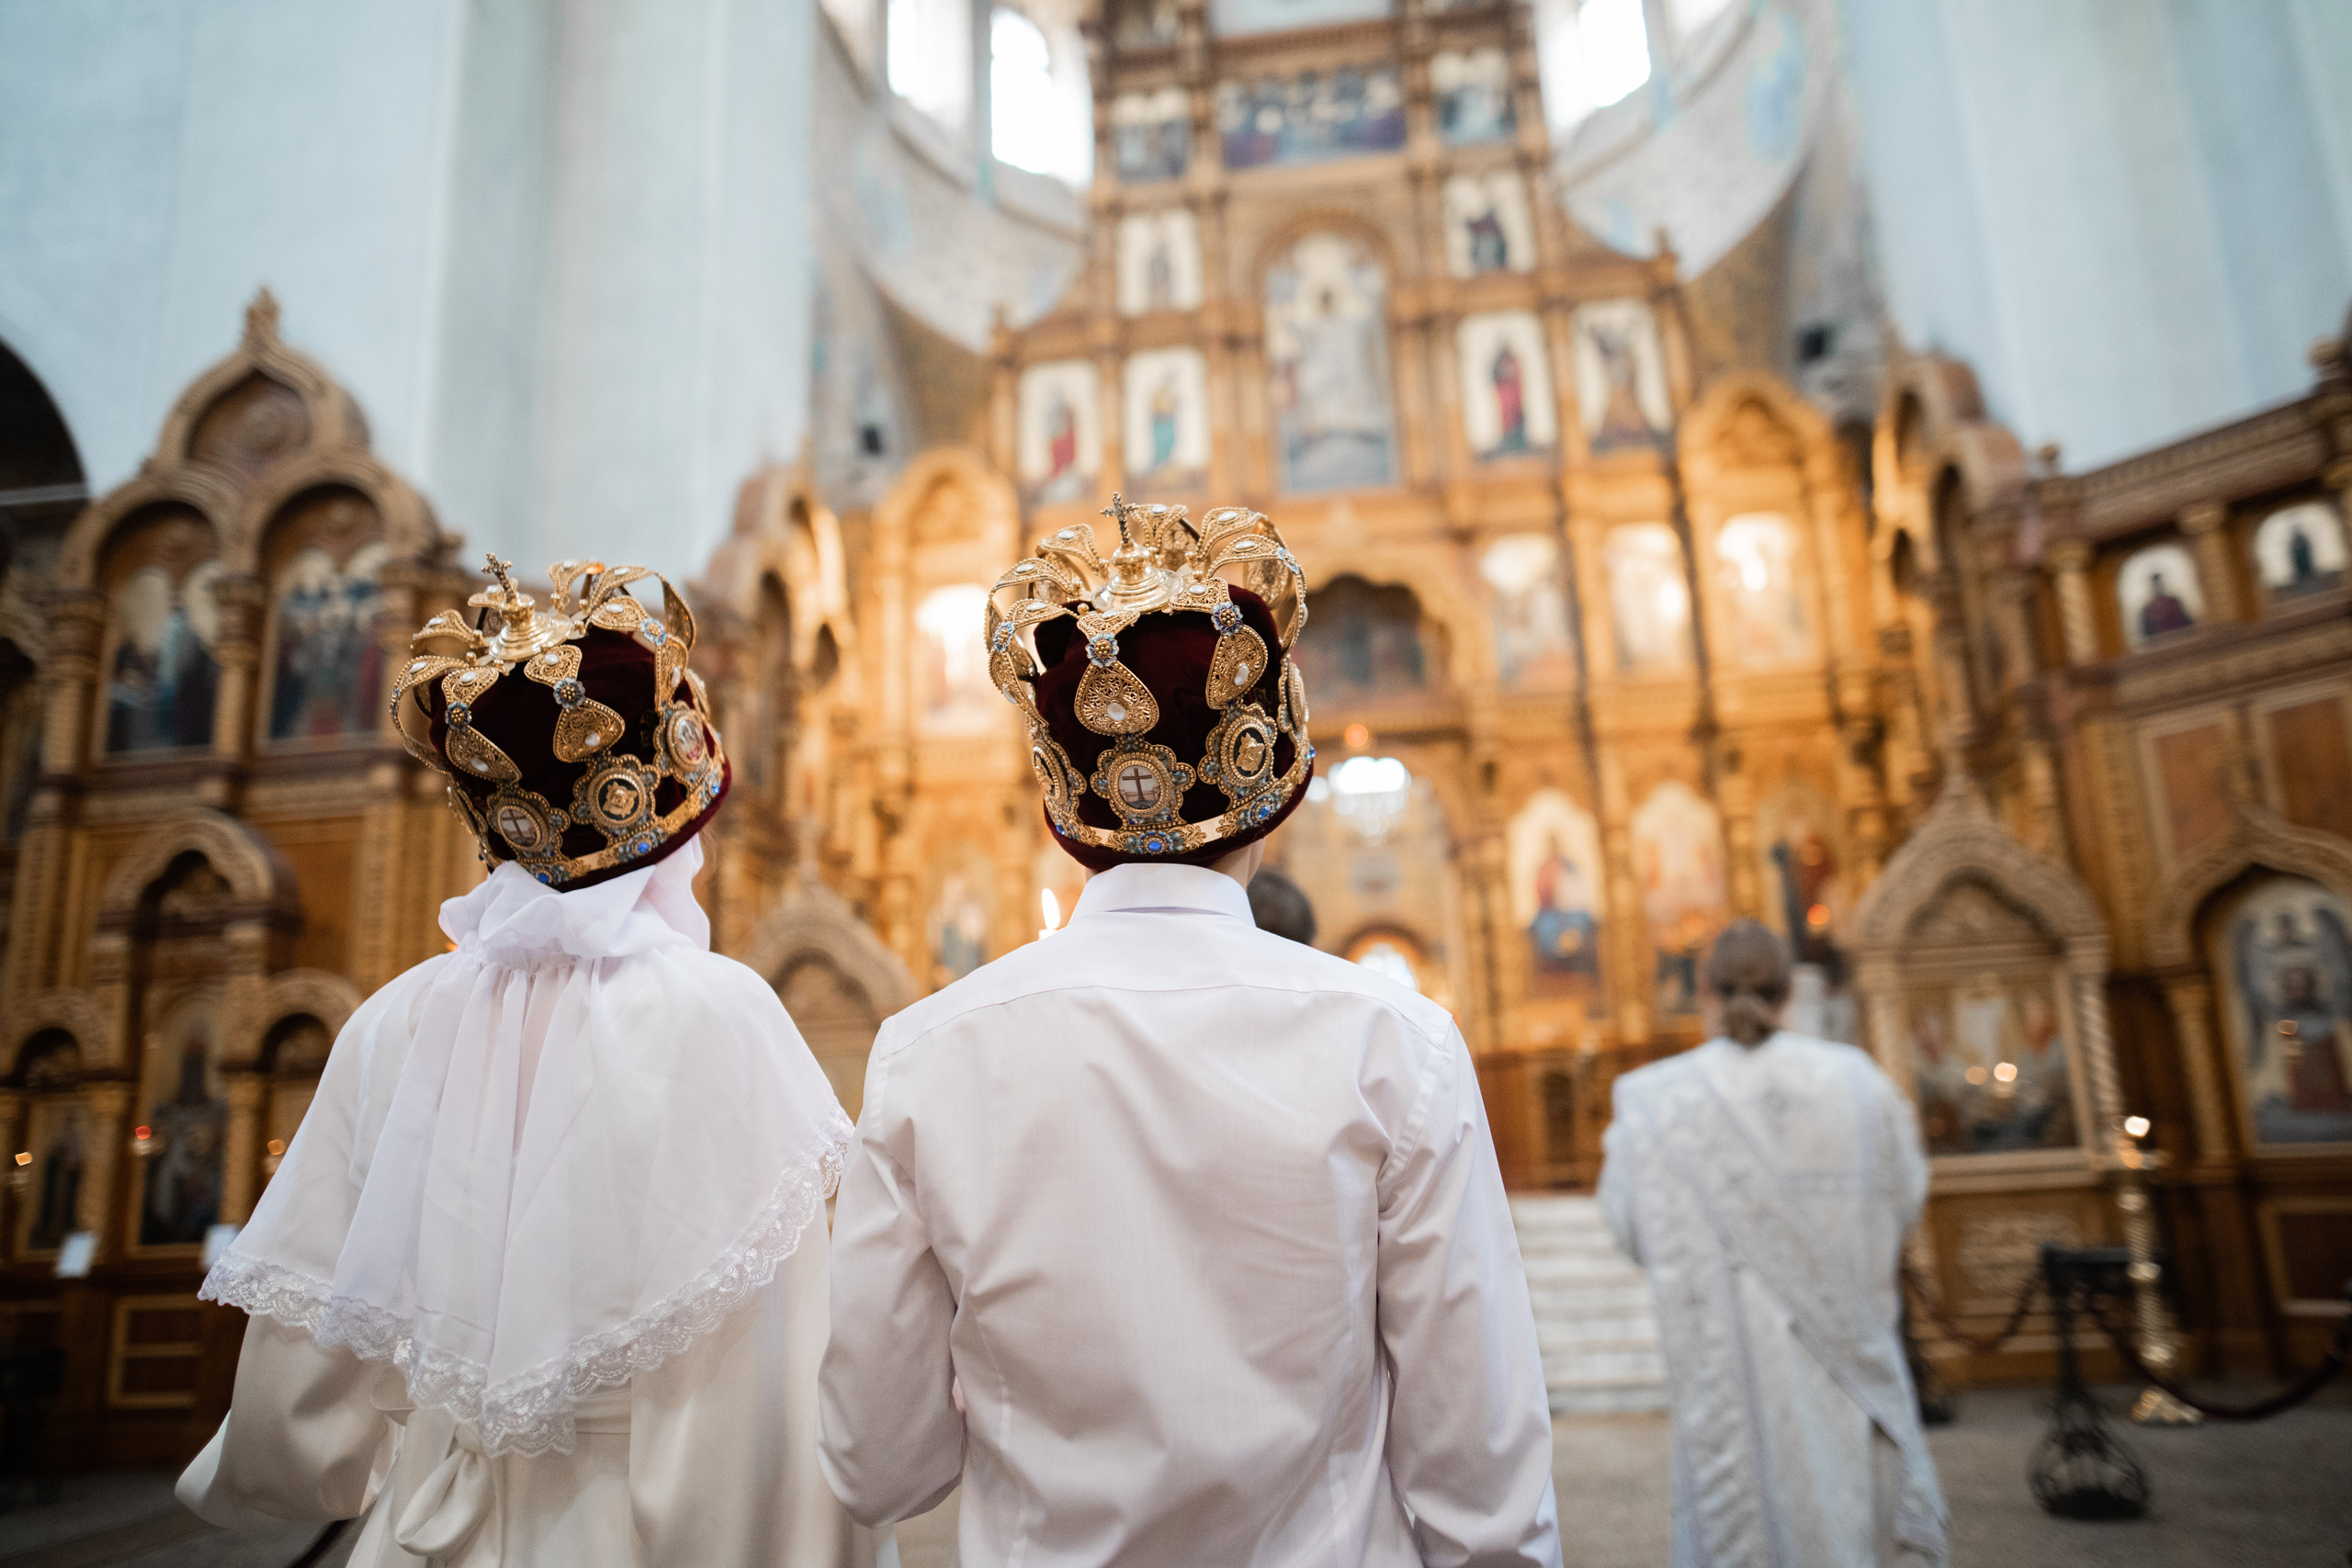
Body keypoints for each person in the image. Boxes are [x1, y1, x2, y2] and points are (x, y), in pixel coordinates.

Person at [820, 497, 1560, 1566]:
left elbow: (881, 1467)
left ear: (1065, 811)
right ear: (1272, 793)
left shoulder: (927, 1056)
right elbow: (1479, 1478)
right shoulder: (1396, 1046)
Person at [177, 558, 876, 1567]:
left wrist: (368, 1463)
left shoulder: (392, 1021)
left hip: (420, 1526)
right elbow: (755, 1402)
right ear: (674, 838)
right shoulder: (714, 1014)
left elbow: (299, 1394)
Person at [1600, 919, 1949, 1568]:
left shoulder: (1654, 1100)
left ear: (1705, 992)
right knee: (1845, 1518)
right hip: (1844, 1355)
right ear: (1790, 992)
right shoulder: (1860, 1083)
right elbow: (1905, 1200)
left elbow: (1630, 1228)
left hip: (1724, 1372)